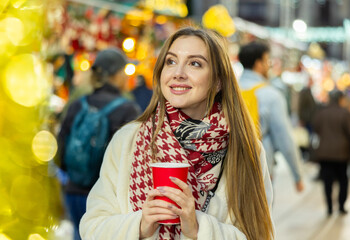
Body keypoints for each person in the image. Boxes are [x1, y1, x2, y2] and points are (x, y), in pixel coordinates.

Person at [80, 27, 274, 240]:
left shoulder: (245, 148)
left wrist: (198, 228)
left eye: (195, 63)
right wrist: (141, 225)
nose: (178, 73)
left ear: (218, 81)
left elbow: (260, 234)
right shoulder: (128, 140)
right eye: (171, 62)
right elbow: (93, 227)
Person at [56, 47, 141, 240]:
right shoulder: (128, 109)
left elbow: (60, 146)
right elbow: (131, 159)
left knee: (80, 234)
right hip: (105, 197)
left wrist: (75, 175)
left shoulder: (78, 103)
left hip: (73, 191)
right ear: (118, 74)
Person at [238, 41, 304, 192]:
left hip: (228, 166)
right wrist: (297, 175)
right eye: (267, 60)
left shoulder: (228, 90)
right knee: (261, 214)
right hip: (260, 169)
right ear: (258, 63)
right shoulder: (271, 95)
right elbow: (284, 139)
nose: (269, 65)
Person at [313, 90, 350, 216]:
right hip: (342, 153)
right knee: (343, 180)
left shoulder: (321, 112)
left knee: (327, 181)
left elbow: (316, 128)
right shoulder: (345, 113)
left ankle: (329, 207)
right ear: (340, 99)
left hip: (324, 153)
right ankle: (341, 206)